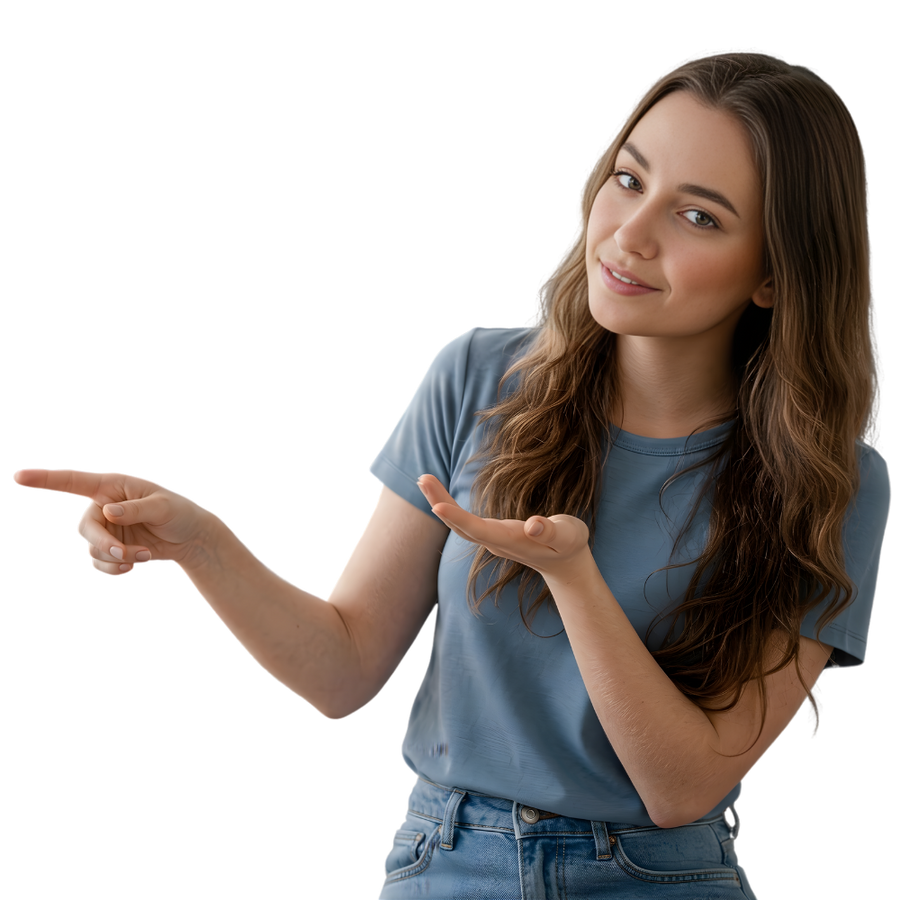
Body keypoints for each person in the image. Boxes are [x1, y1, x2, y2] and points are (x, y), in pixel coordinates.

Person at [11, 50, 890, 898]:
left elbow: (684, 788)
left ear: (775, 273)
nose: (629, 233)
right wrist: (204, 544)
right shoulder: (478, 377)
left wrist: (571, 575)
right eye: (628, 179)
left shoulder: (834, 484)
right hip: (446, 861)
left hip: (665, 877)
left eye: (697, 216)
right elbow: (343, 672)